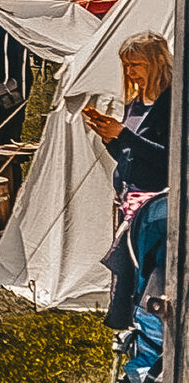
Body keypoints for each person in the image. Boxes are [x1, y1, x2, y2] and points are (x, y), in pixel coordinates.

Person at [83, 32, 172, 331]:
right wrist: (111, 138)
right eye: (127, 66)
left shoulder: (173, 103)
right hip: (129, 201)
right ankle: (131, 339)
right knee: (128, 279)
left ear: (158, 62)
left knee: (149, 283)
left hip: (158, 210)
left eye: (136, 65)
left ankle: (149, 344)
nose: (130, 72)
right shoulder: (135, 102)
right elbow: (130, 155)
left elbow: (171, 160)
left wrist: (123, 135)